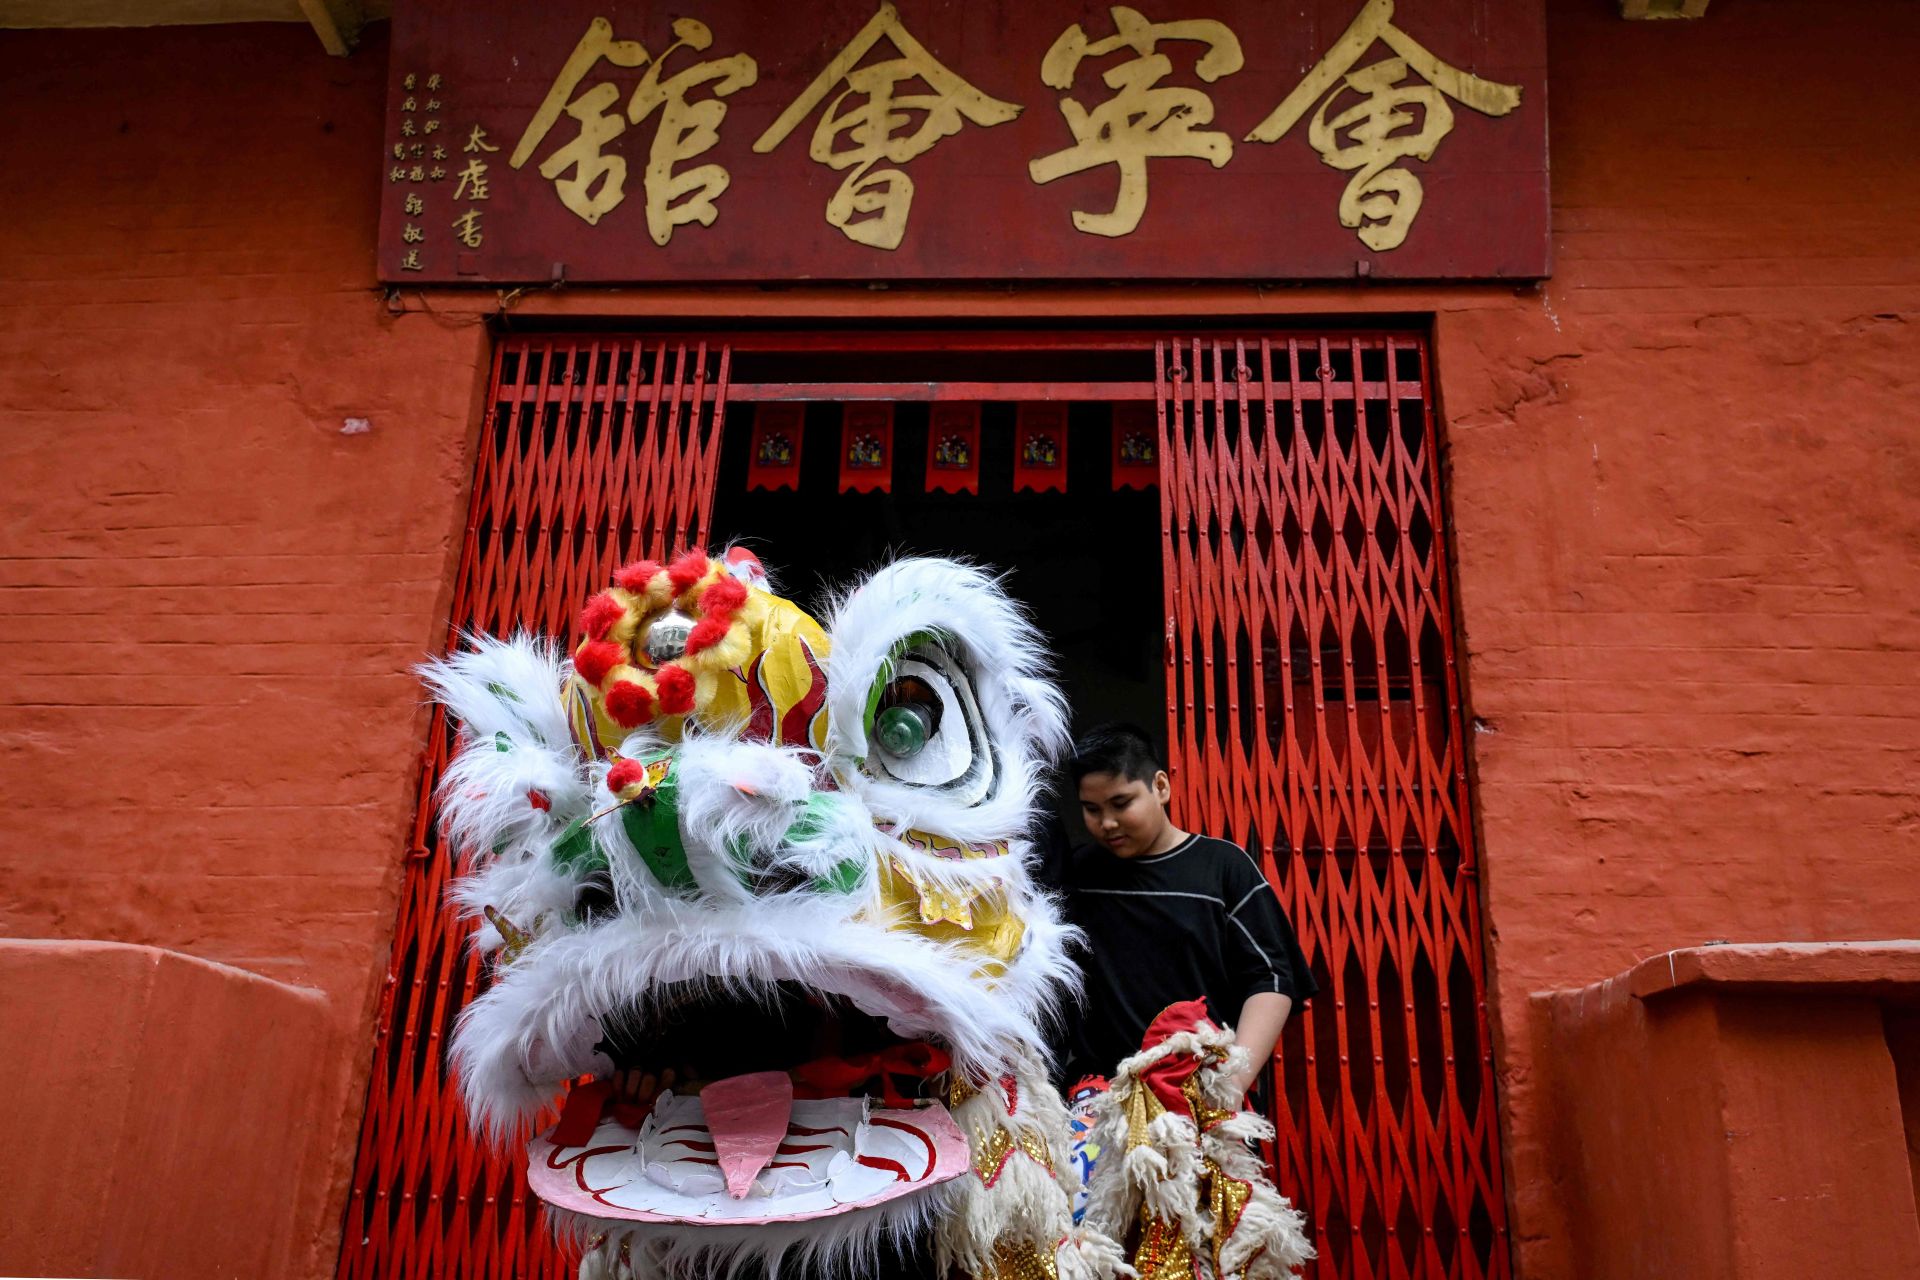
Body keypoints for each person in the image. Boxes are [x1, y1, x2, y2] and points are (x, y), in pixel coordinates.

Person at [1040, 723, 1316, 1101]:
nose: (1106, 823)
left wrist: (1231, 1083)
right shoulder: (1079, 873)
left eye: (1121, 804)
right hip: (1100, 1094)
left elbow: (1271, 980)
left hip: (1197, 1089)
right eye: (1092, 809)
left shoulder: (1222, 868)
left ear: (1160, 787)